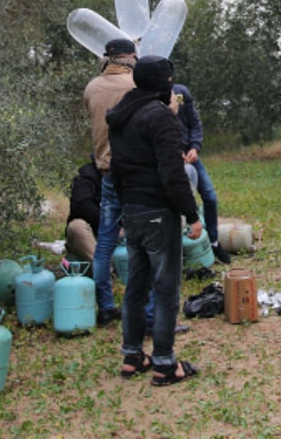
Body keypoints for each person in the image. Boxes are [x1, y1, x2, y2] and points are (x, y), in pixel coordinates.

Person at [107, 55, 203, 385]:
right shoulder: (159, 118)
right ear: (164, 83)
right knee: (165, 290)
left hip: (132, 211)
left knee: (136, 286)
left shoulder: (121, 115)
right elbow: (172, 173)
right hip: (159, 215)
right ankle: (164, 364)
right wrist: (192, 214)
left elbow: (116, 170)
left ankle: (133, 356)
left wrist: (123, 210)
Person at [82, 37, 138, 325]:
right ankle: (143, 310)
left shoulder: (92, 87)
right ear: (130, 57)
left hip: (106, 172)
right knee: (144, 240)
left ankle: (105, 306)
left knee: (104, 242)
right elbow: (169, 108)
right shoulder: (134, 85)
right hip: (135, 174)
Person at [172, 83, 231, 265]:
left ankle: (213, 242)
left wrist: (195, 147)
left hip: (191, 156)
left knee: (210, 197)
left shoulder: (180, 92)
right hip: (170, 159)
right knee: (181, 203)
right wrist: (174, 152)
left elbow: (194, 124)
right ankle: (181, 250)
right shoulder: (151, 98)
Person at [64, 157, 101, 264]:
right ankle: (105, 273)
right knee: (76, 226)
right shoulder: (86, 177)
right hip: (91, 240)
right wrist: (111, 224)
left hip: (119, 242)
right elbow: (81, 206)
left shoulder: (126, 176)